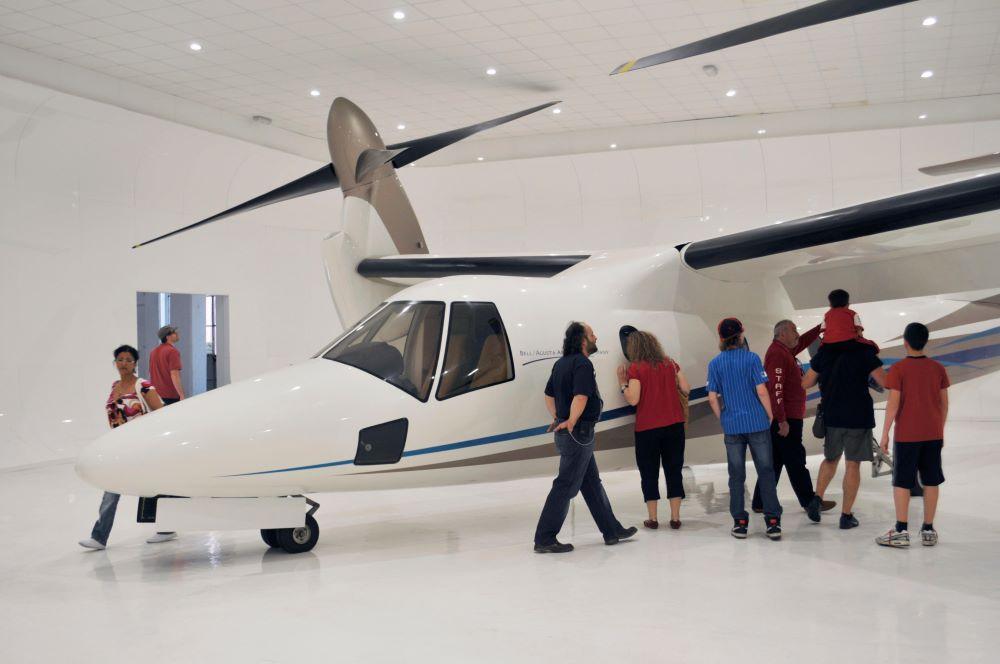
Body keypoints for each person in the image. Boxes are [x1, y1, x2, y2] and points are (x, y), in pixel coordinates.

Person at [534, 322, 637, 553]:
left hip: (573, 433)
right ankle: (545, 538)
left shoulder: (560, 364)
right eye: (592, 334)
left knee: (591, 484)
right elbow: (581, 396)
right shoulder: (582, 363)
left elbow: (548, 394)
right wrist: (569, 421)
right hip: (578, 434)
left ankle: (612, 530)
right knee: (565, 486)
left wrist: (559, 417)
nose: (596, 337)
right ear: (582, 340)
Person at [79, 345, 177, 550]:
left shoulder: (143, 386)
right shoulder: (114, 385)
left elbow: (161, 413)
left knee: (153, 486)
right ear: (115, 363)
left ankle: (167, 528)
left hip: (141, 445)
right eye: (120, 359)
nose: (123, 363)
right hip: (119, 445)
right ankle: (99, 537)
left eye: (128, 360)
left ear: (135, 363)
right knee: (112, 487)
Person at [751, 320, 837, 521]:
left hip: (787, 417)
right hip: (786, 419)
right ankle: (809, 501)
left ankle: (760, 502)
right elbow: (776, 389)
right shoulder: (777, 354)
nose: (797, 334)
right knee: (796, 461)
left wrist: (820, 328)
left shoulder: (783, 351)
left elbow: (801, 342)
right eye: (793, 330)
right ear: (782, 333)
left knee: (775, 462)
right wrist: (781, 420)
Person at [802, 327, 886, 530]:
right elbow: (884, 382)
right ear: (856, 330)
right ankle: (846, 516)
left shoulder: (824, 352)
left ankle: (816, 499)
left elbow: (806, 382)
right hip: (858, 417)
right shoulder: (864, 351)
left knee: (830, 460)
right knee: (853, 465)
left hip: (833, 416)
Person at [707, 318, 783, 540]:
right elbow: (761, 390)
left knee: (736, 475)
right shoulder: (752, 359)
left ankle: (740, 522)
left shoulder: (715, 364)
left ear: (721, 339)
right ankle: (772, 522)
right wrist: (769, 414)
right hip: (757, 423)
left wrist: (724, 419)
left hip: (732, 427)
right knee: (766, 471)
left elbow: (712, 398)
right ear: (741, 336)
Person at [876, 323, 949, 548]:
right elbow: (944, 404)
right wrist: (940, 429)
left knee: (902, 481)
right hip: (932, 434)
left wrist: (885, 433)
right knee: (932, 479)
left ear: (905, 342)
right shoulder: (938, 368)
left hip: (907, 435)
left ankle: (901, 530)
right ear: (925, 341)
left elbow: (893, 405)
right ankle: (928, 529)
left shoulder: (898, 369)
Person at [617, 330, 690, 530]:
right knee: (674, 470)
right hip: (674, 426)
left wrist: (622, 384)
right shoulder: (670, 363)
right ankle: (675, 518)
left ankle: (653, 518)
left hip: (647, 429)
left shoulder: (636, 369)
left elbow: (634, 398)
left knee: (649, 473)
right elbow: (685, 388)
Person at [149, 324, 184, 404]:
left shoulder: (153, 352)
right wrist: (181, 395)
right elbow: (174, 374)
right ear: (168, 337)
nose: (177, 334)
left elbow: (151, 373)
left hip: (156, 394)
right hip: (170, 396)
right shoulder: (172, 352)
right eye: (174, 333)